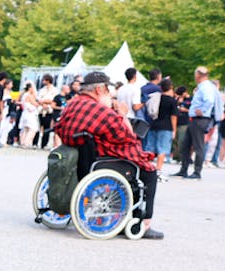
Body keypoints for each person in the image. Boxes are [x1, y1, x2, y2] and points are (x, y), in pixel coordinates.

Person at [55, 71, 163, 239]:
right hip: (102, 159)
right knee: (149, 171)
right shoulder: (101, 111)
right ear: (99, 89)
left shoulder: (72, 103)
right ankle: (144, 223)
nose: (109, 93)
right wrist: (122, 114)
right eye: (107, 89)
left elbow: (60, 128)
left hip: (79, 157)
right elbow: (128, 136)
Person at [178, 66, 220, 178]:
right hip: (195, 119)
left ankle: (197, 172)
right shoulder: (203, 86)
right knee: (186, 145)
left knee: (198, 146)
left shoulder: (205, 87)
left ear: (198, 75)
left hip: (200, 119)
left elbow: (209, 101)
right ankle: (184, 169)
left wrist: (202, 110)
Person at [143, 78, 178, 164]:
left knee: (150, 148)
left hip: (154, 124)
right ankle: (158, 169)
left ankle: (147, 167)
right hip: (166, 127)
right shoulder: (172, 101)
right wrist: (174, 130)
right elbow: (173, 117)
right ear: (171, 87)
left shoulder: (156, 98)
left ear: (161, 88)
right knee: (162, 149)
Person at [18, 80, 42, 149]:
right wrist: (39, 103)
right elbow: (35, 104)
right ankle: (27, 142)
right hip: (30, 114)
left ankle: (22, 142)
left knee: (25, 128)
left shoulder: (24, 95)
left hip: (25, 113)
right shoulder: (29, 95)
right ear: (30, 88)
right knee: (32, 128)